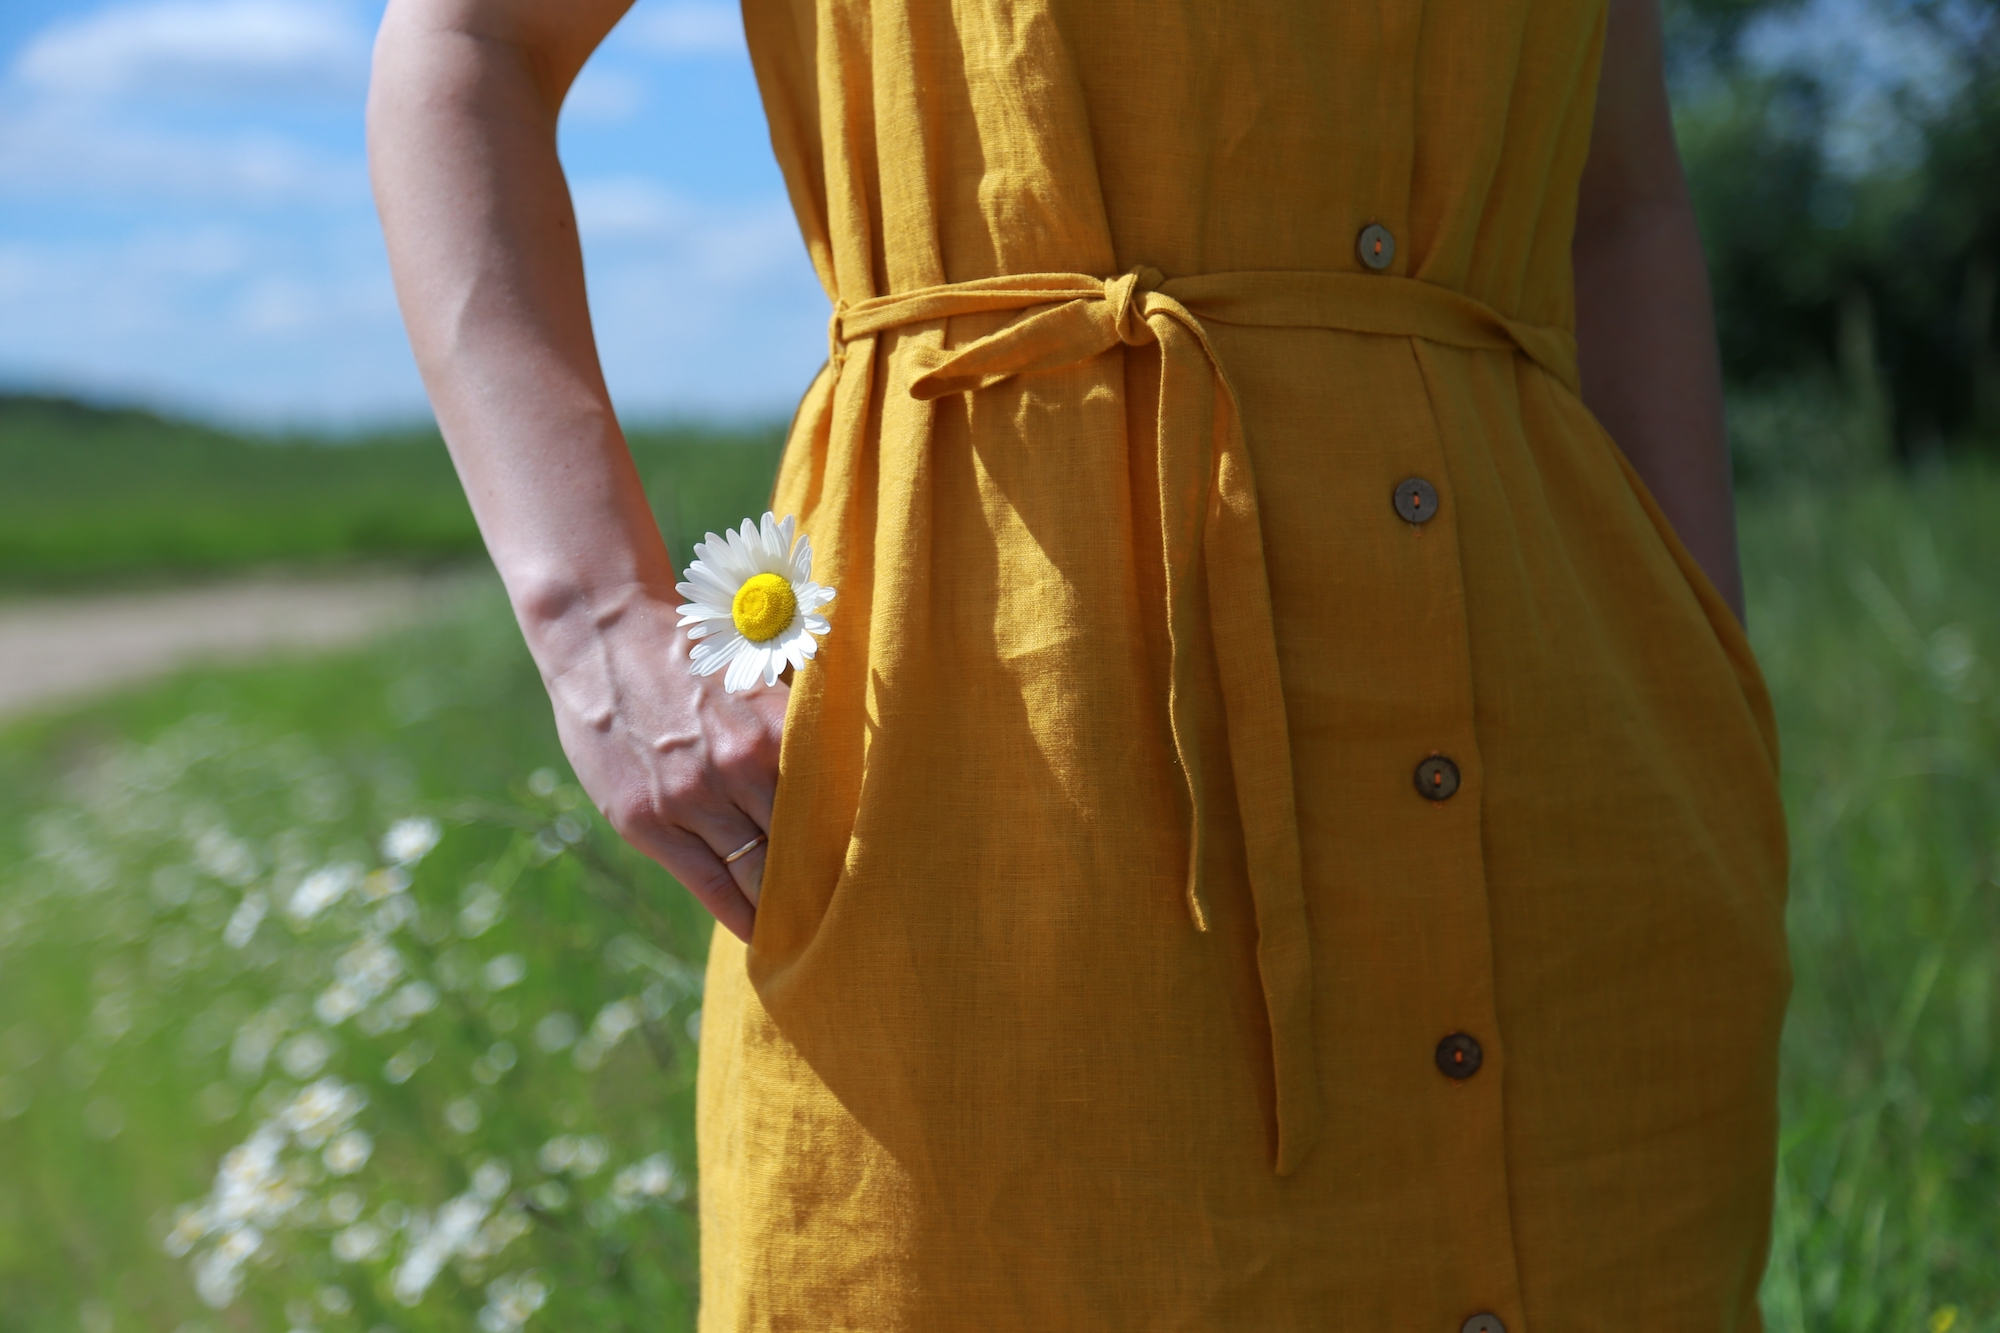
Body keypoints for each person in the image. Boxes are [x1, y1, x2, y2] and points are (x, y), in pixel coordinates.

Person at [370, 0, 1790, 1327]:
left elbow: (1619, 209)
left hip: (1580, 808)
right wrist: (598, 627)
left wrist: (1703, 670)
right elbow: (468, 42)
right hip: (998, 795)